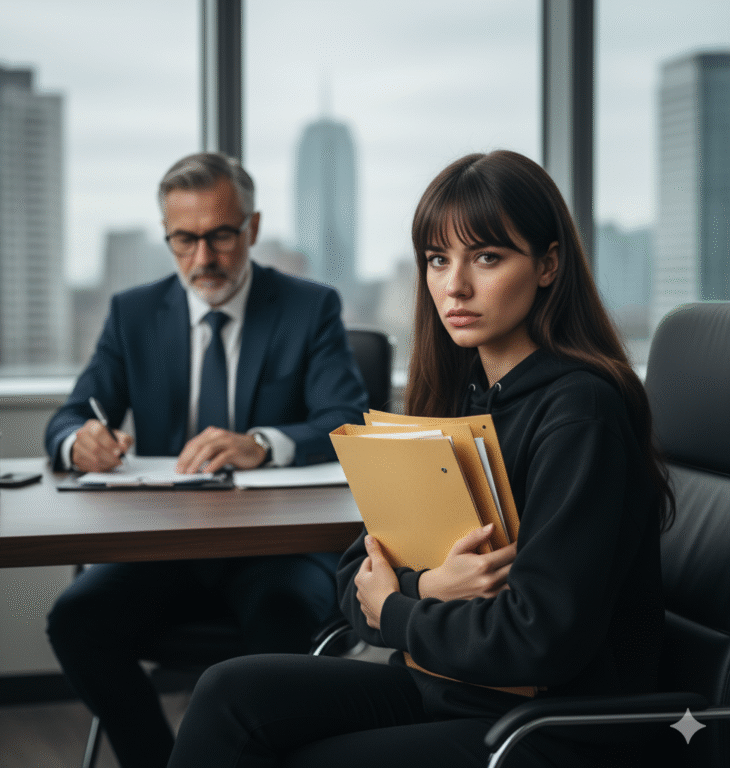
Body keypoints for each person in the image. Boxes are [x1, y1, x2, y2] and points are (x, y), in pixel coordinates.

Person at [165, 150, 675, 768]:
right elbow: (356, 582)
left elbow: (539, 640)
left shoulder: (581, 412)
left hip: (550, 723)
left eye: (487, 257)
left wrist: (402, 609)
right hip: (453, 688)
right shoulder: (454, 400)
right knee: (229, 690)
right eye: (438, 260)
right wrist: (428, 587)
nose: (454, 285)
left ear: (548, 265)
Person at [45, 151, 369, 768]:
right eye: (184, 240)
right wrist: (78, 440)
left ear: (250, 227)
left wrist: (263, 443)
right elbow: (67, 418)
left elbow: (348, 423)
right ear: (167, 236)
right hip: (164, 551)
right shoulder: (133, 313)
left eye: (220, 235)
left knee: (278, 631)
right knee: (75, 622)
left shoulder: (310, 307)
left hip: (278, 552)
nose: (203, 258)